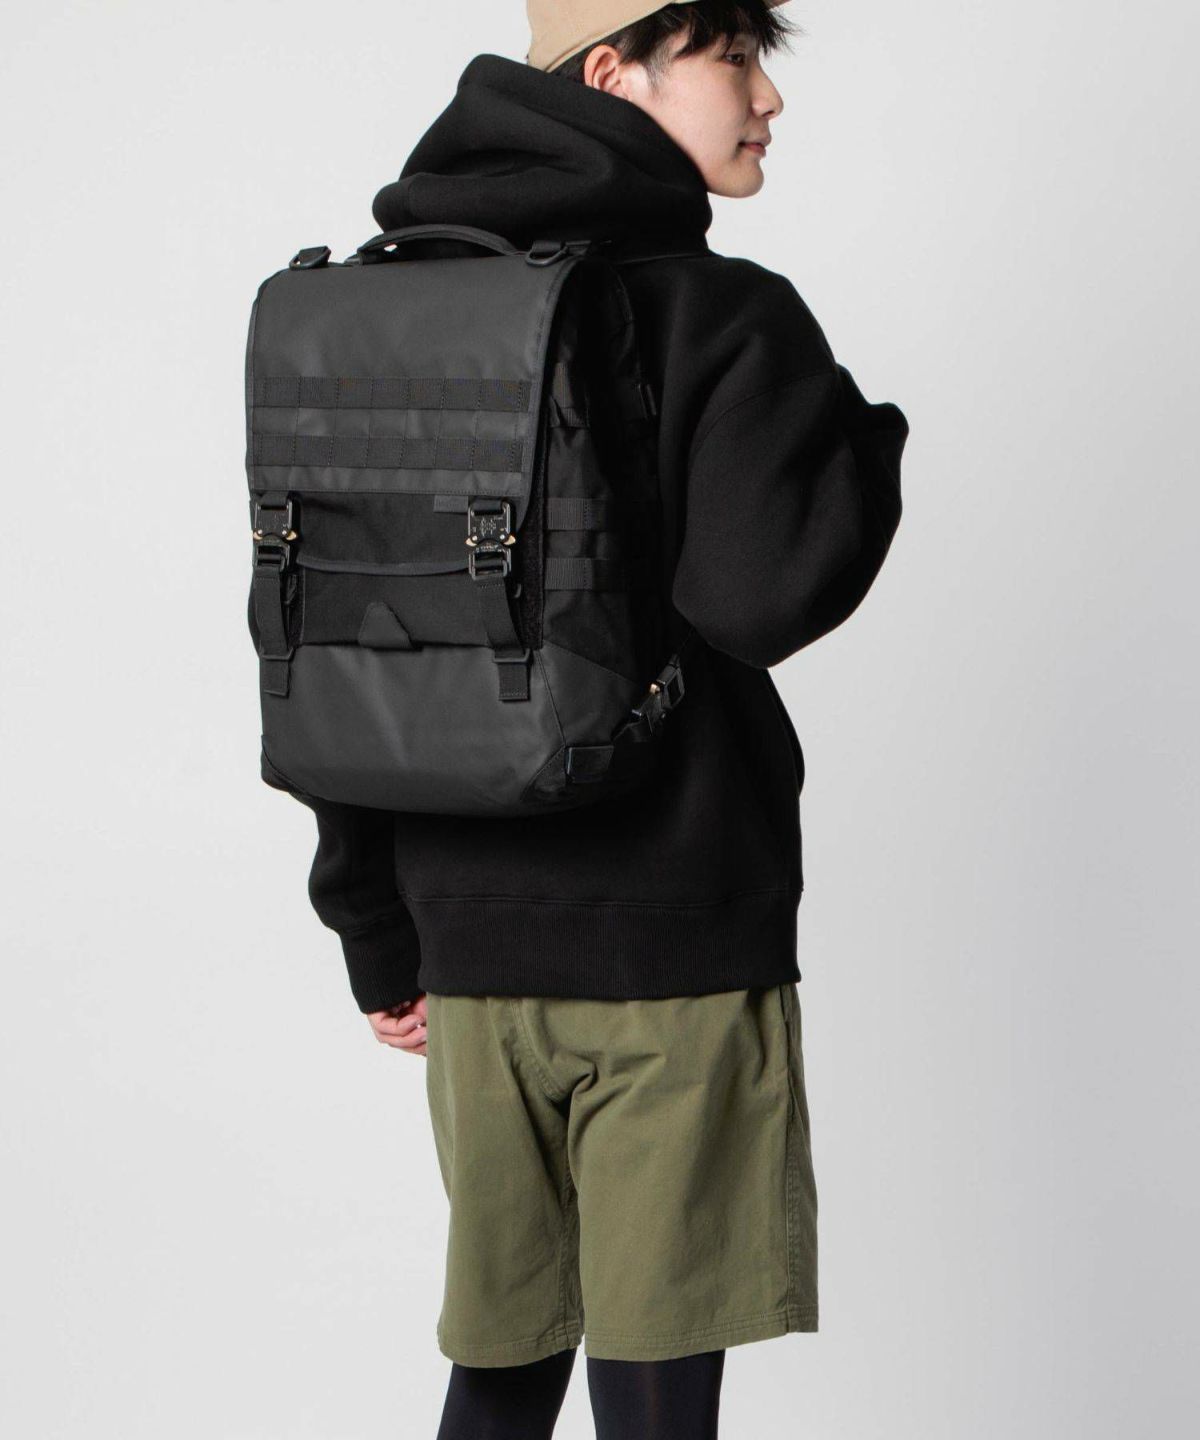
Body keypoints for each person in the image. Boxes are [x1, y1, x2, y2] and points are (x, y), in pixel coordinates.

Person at [287, 4, 908, 1436]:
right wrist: (865, 447)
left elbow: (343, 645)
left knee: (500, 1379)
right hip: (673, 949)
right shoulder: (720, 311)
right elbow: (758, 597)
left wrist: (375, 927)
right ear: (614, 72)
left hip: (467, 954)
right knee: (655, 1395)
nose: (767, 97)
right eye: (735, 57)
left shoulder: (388, 307)